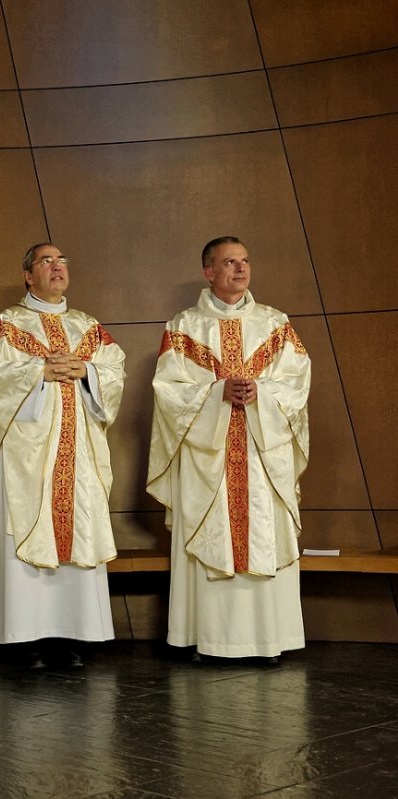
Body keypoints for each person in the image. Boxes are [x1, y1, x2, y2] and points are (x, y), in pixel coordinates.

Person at [149, 236, 310, 661]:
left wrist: (261, 391)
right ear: (209, 272)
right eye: (229, 262)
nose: (240, 269)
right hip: (209, 455)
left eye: (244, 261)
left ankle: (269, 641)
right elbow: (168, 391)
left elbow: (296, 385)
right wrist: (218, 391)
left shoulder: (276, 324)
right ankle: (207, 638)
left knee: (263, 532)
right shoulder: (183, 327)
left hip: (262, 452)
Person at [0, 243, 125, 668]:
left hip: (78, 453)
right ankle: (25, 638)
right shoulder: (6, 325)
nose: (57, 268)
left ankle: (72, 636)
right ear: (27, 275)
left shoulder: (87, 327)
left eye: (62, 262)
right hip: (25, 456)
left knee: (78, 532)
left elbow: (114, 372)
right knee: (26, 530)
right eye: (46, 261)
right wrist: (38, 372)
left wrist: (88, 372)